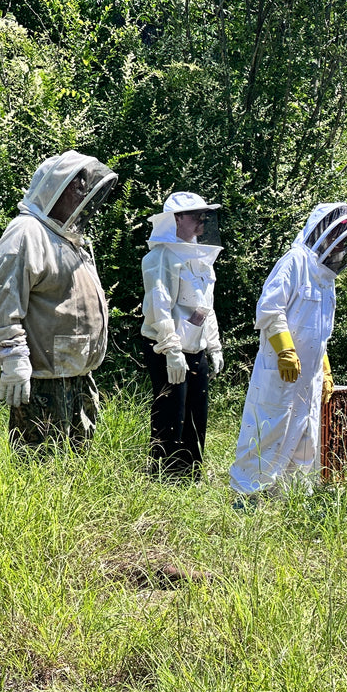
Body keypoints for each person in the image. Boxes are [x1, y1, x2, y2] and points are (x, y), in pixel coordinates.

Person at [0, 150, 117, 451]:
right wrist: (13, 358)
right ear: (57, 188)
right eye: (77, 186)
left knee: (78, 467)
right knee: (40, 467)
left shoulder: (67, 237)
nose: (84, 194)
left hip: (77, 375)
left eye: (85, 186)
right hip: (43, 381)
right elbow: (0, 303)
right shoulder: (26, 233)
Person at [230, 203, 347, 499]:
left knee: (305, 434)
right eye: (338, 237)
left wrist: (325, 368)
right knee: (268, 429)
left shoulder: (326, 278)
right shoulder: (294, 261)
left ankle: (289, 498)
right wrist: (284, 350)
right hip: (280, 370)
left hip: (310, 375)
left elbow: (319, 331)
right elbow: (270, 308)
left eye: (346, 241)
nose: (341, 246)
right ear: (321, 233)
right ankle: (247, 495)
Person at [140, 191, 225, 480]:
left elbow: (206, 306)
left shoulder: (201, 257)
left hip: (196, 348)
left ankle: (191, 477)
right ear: (176, 219)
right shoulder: (160, 257)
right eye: (195, 215)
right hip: (166, 349)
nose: (202, 220)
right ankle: (163, 478)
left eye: (204, 215)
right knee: (170, 414)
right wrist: (171, 349)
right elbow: (159, 306)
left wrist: (214, 346)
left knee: (196, 415)